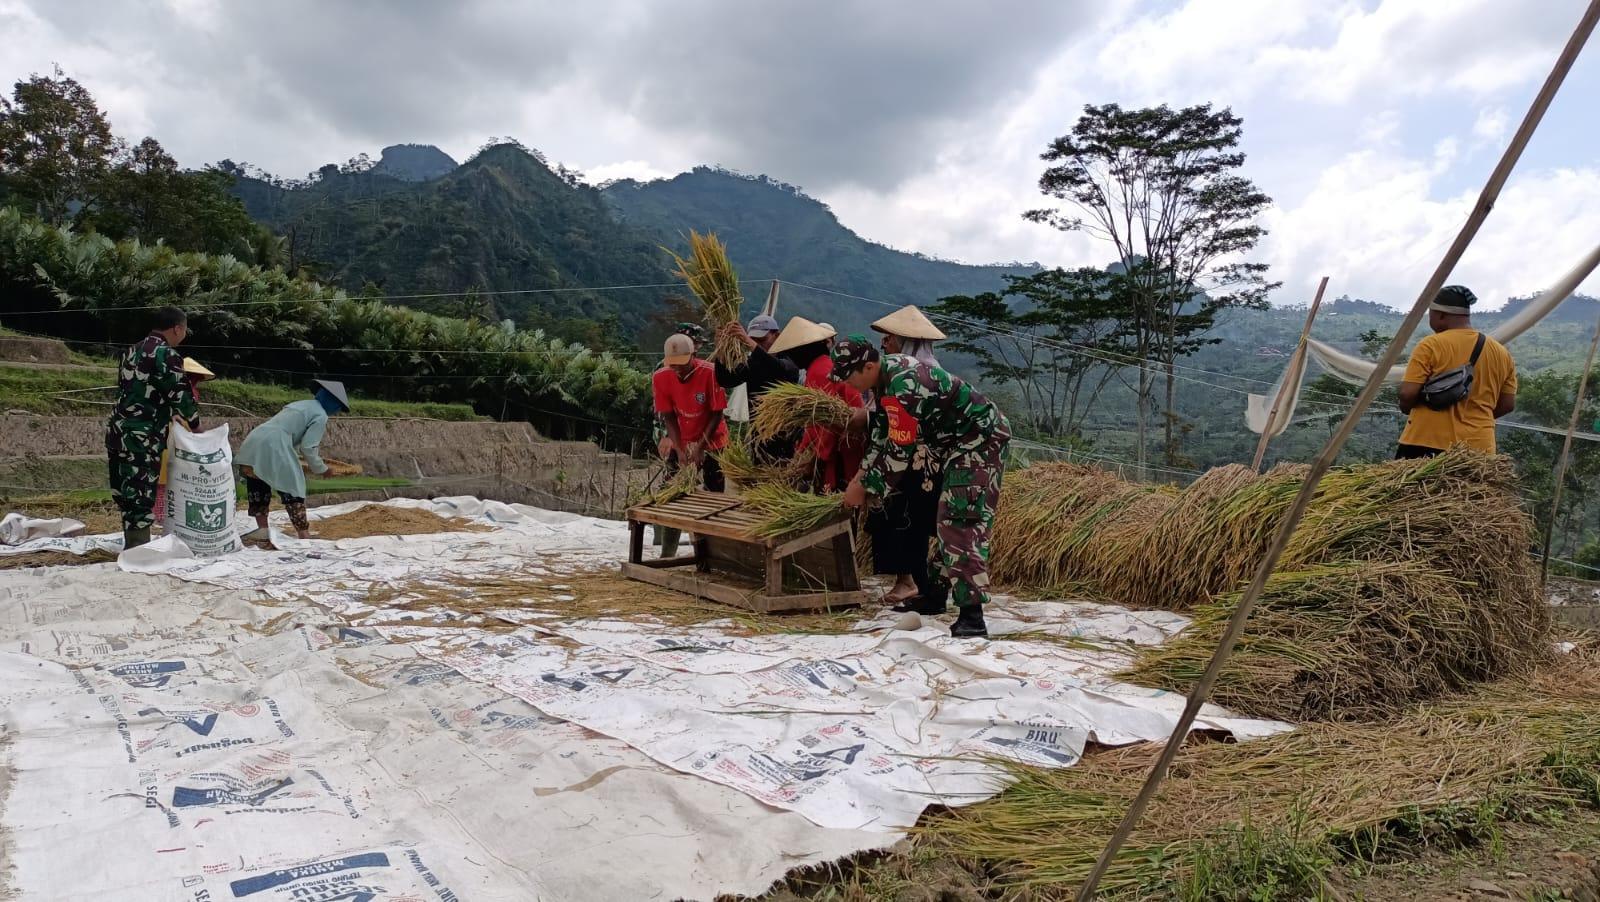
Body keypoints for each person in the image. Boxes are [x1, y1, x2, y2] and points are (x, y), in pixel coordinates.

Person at [834, 335, 1010, 638]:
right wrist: (859, 480)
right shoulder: (885, 381)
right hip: (954, 445)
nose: (848, 385)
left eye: (849, 376)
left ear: (868, 366)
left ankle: (972, 616)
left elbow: (899, 451)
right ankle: (934, 595)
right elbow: (882, 439)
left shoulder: (904, 383)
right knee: (944, 519)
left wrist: (867, 487)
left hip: (979, 440)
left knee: (959, 520)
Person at [866, 306, 948, 608]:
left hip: (920, 462)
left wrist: (879, 472)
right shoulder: (894, 375)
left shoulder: (921, 376)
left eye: (890, 338)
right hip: (903, 458)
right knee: (900, 520)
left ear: (906, 341)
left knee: (912, 521)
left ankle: (917, 586)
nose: (885, 344)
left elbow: (906, 430)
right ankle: (914, 584)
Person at [106, 306, 199, 549]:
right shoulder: (166, 354)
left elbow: (138, 390)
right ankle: (138, 550)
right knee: (140, 491)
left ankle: (132, 544)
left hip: (118, 431)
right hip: (143, 435)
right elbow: (180, 395)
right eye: (185, 330)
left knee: (124, 490)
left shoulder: (130, 351)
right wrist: (196, 426)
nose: (184, 334)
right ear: (177, 328)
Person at [1396, 285, 1517, 459]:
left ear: (1441, 315)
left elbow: (1408, 394)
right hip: (1479, 449)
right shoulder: (1503, 354)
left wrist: (1406, 407)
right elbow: (1507, 404)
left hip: (1426, 442)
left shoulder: (1430, 345)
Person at [236, 380, 351, 539]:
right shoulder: (321, 415)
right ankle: (303, 533)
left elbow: (293, 435)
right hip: (274, 445)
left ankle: (262, 530)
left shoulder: (299, 404)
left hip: (254, 441)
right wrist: (322, 469)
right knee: (293, 486)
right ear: (334, 404)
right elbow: (308, 447)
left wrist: (299, 459)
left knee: (258, 483)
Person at [770, 317, 865, 491]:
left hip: (842, 447)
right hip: (840, 443)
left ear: (802, 351)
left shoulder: (820, 371)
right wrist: (803, 451)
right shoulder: (821, 366)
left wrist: (813, 458)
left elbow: (826, 422)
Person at [717, 313, 801, 457]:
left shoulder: (789, 360)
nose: (758, 344)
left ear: (777, 335)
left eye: (762, 339)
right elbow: (726, 380)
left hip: (785, 436)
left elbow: (777, 369)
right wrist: (721, 351)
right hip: (758, 436)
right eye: (754, 339)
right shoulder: (752, 363)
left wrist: (748, 341)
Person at [653, 333, 729, 492]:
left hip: (713, 439)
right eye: (673, 364)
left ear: (693, 355)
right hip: (683, 437)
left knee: (714, 487)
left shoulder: (711, 373)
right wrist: (680, 449)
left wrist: (700, 447)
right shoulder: (661, 377)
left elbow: (717, 414)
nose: (678, 369)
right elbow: (669, 416)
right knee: (671, 486)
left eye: (682, 363)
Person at [153, 357, 217, 528]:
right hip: (170, 440)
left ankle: (173, 518)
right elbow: (186, 416)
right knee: (164, 479)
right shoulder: (177, 392)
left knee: (179, 480)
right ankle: (161, 519)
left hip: (183, 441)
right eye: (194, 378)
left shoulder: (186, 392)